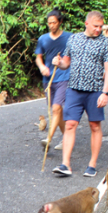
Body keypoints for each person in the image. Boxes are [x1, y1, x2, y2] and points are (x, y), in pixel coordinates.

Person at [51, 11, 108, 177]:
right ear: (86, 23)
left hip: (95, 90)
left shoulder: (105, 43)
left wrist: (105, 93)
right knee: (70, 124)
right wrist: (58, 62)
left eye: (101, 26)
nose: (98, 29)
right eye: (95, 26)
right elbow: (66, 62)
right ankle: (65, 164)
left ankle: (92, 165)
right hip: (74, 89)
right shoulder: (74, 39)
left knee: (94, 125)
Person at [35, 9, 72, 151]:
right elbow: (38, 57)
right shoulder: (43, 39)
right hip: (48, 79)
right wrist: (42, 67)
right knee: (57, 112)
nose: (51, 25)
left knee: (56, 109)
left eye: (54, 23)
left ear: (60, 22)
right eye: (49, 23)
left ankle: (48, 139)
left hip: (64, 76)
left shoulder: (69, 37)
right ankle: (66, 138)